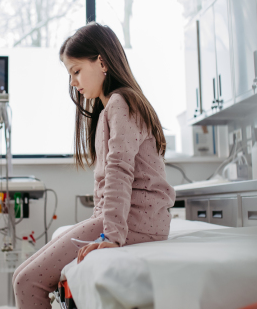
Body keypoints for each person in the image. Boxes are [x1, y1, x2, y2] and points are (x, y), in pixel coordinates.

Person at [12, 22, 176, 308]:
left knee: (27, 281)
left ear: (101, 61)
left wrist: (111, 236)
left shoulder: (120, 103)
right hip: (134, 221)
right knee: (21, 276)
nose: (73, 83)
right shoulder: (110, 109)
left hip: (134, 223)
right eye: (70, 75)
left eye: (76, 71)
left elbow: (119, 172)